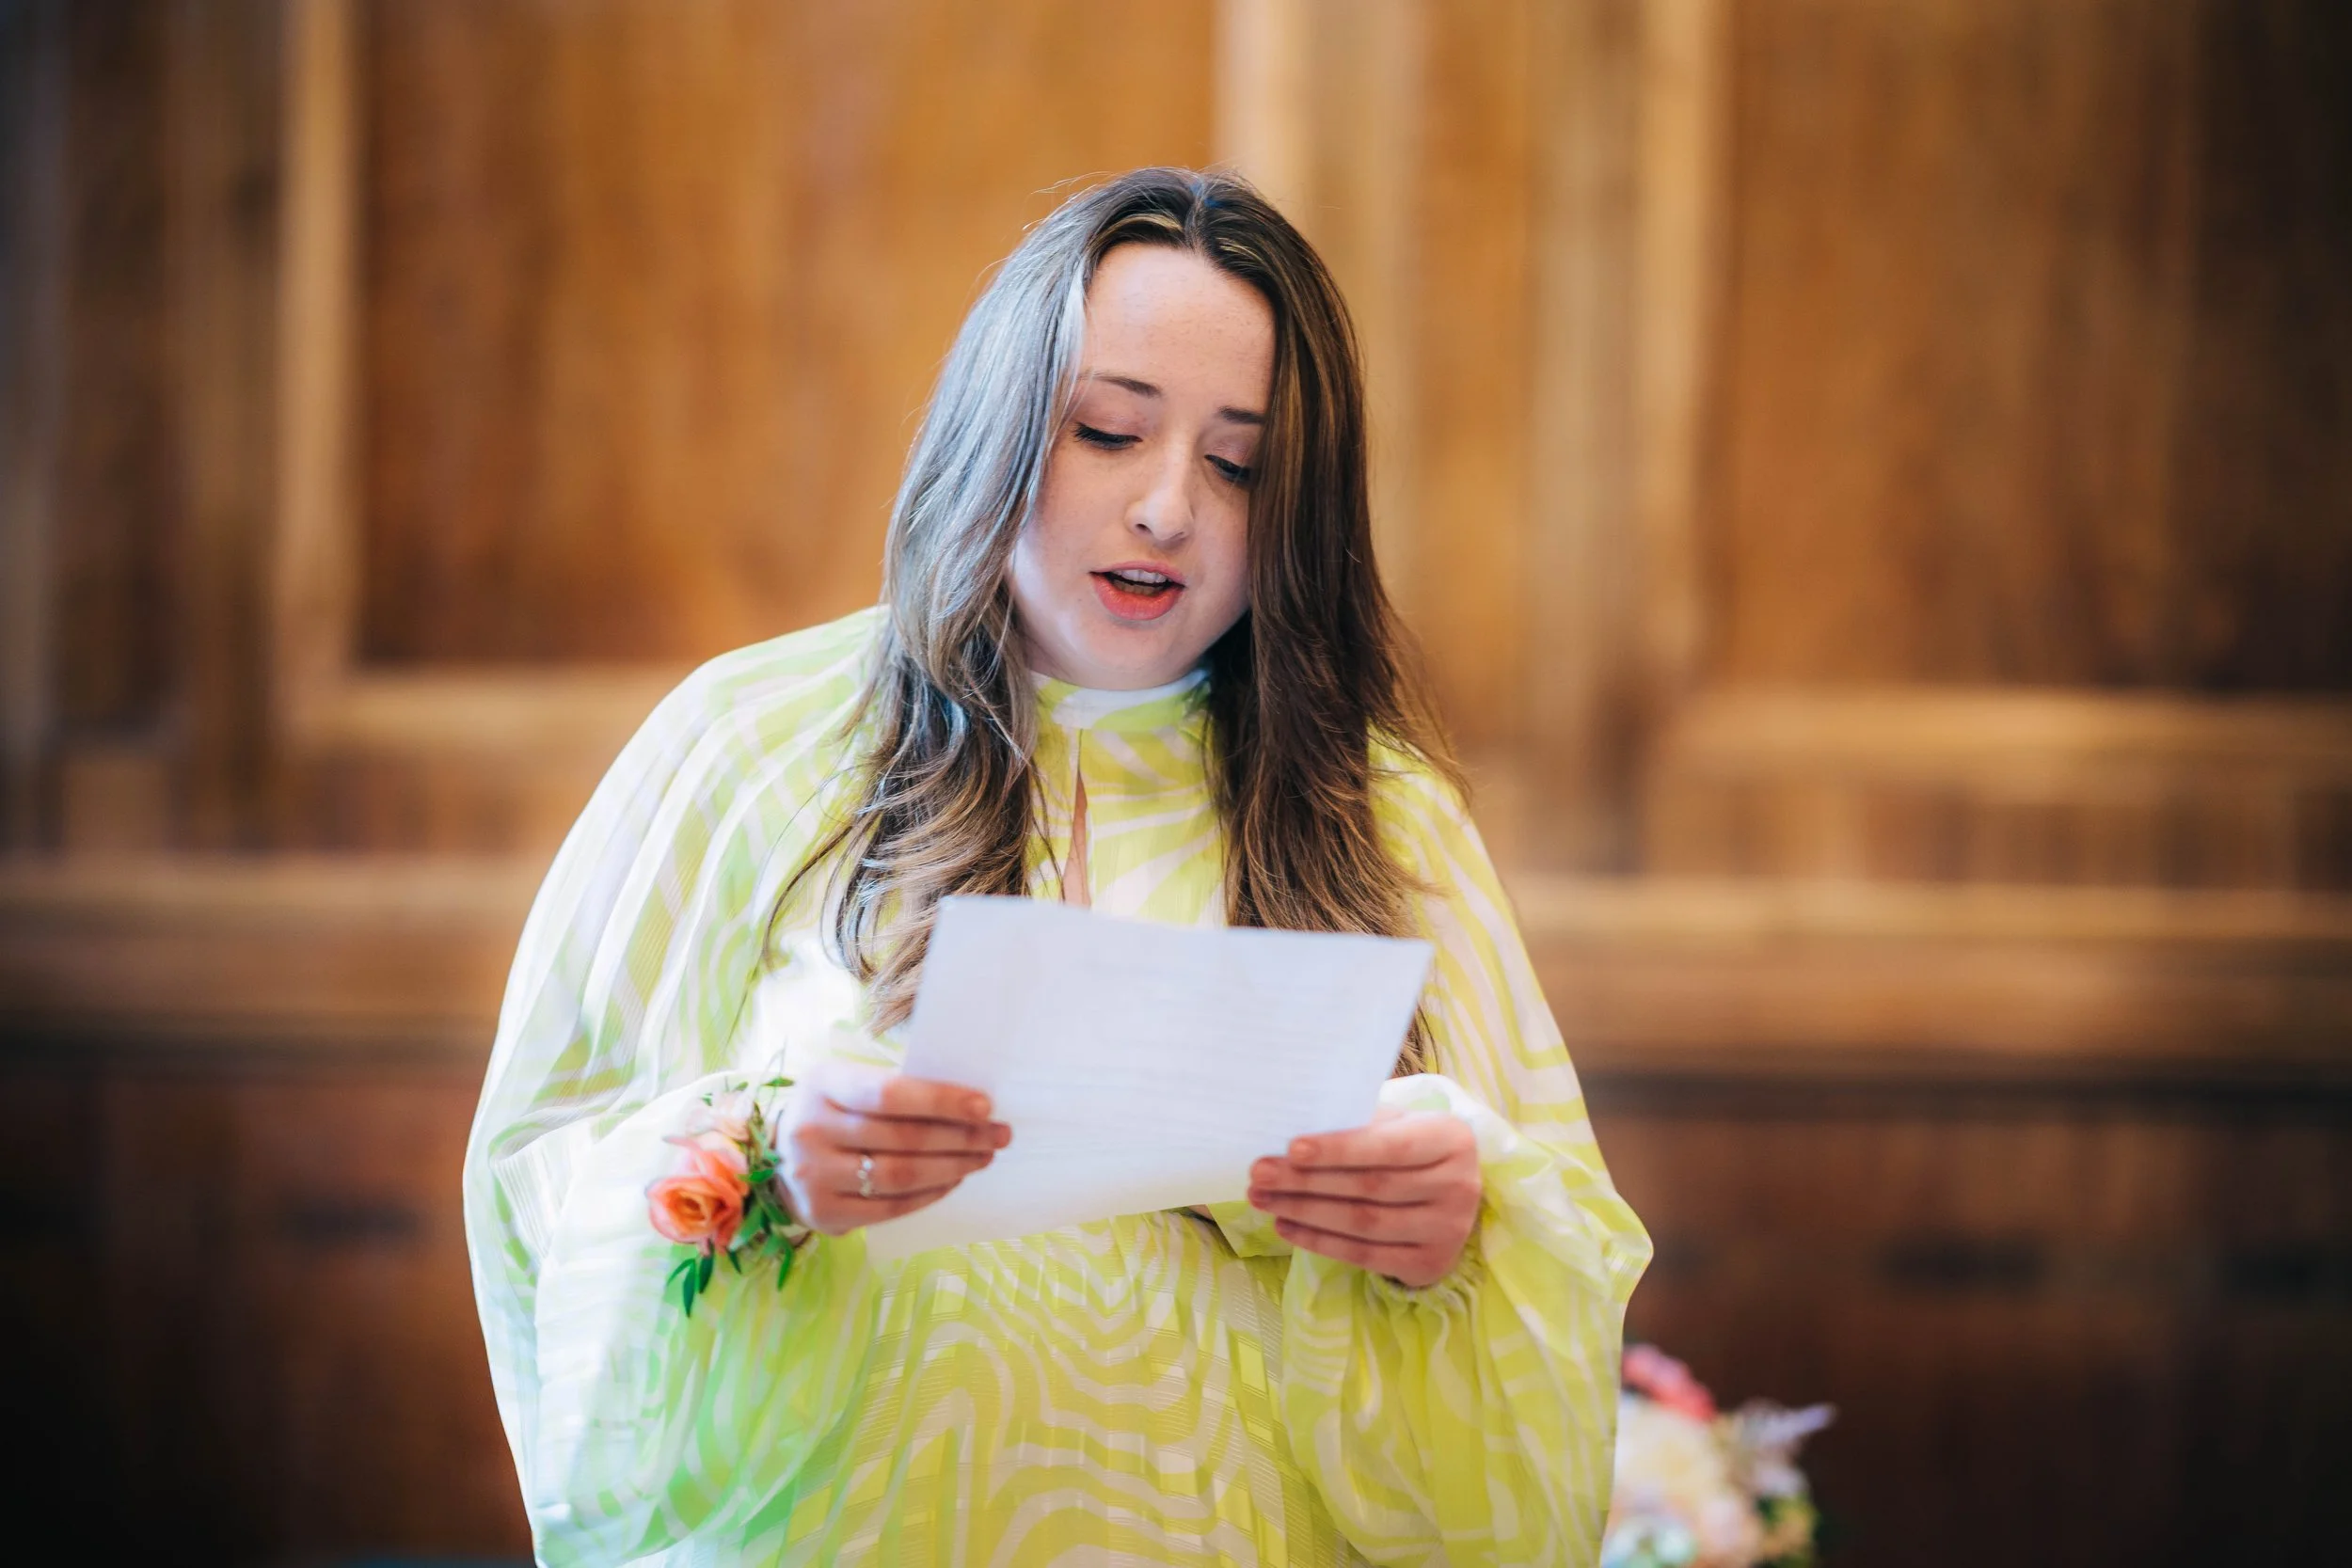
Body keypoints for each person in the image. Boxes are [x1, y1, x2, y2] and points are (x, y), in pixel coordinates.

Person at [464, 166, 1650, 1567]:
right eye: (1108, 432)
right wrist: (765, 1157)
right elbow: (538, 1173)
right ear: (1001, 427)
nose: (1166, 508)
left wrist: (1456, 1223)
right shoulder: (746, 747)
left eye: (1239, 464)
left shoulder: (1383, 817)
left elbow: (1559, 1242)